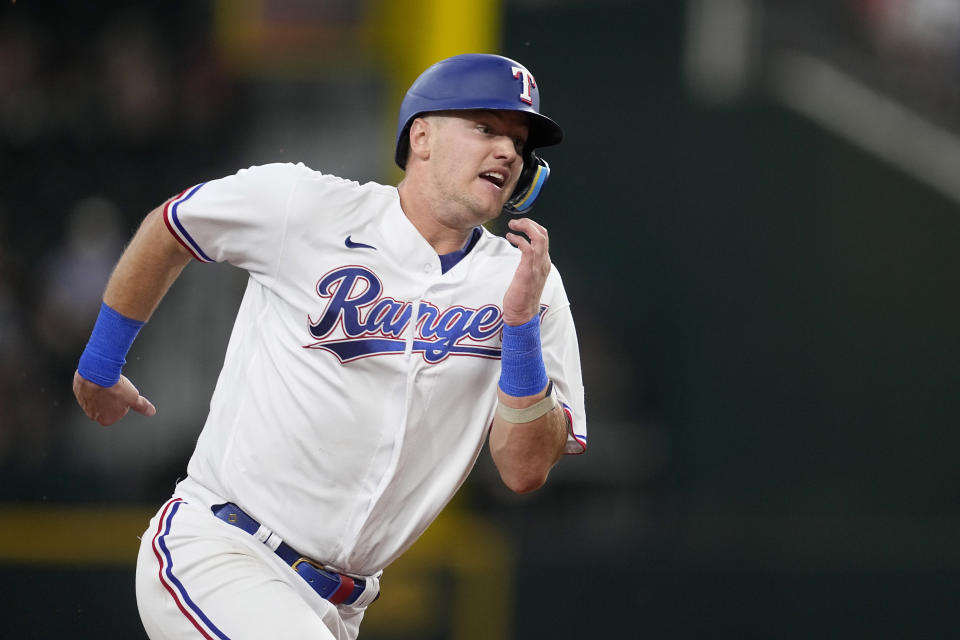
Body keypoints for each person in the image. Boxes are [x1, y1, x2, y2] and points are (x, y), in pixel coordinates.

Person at [72, 53, 587, 640]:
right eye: (485, 128)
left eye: (519, 142)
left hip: (339, 606)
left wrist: (518, 327)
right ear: (421, 135)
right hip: (223, 553)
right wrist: (101, 361)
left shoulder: (526, 280)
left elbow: (523, 469)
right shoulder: (306, 205)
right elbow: (173, 226)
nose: (507, 152)